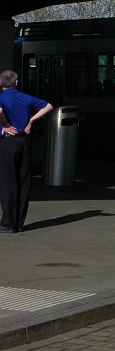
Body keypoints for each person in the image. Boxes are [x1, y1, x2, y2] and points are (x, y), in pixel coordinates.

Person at [0, 70, 52, 233]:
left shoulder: (2, 98)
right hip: (25, 141)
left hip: (8, 141)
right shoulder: (25, 97)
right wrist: (32, 119)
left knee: (8, 181)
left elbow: (0, 112)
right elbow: (48, 106)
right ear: (16, 83)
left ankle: (8, 223)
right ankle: (20, 222)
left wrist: (5, 125)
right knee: (24, 180)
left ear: (1, 83)